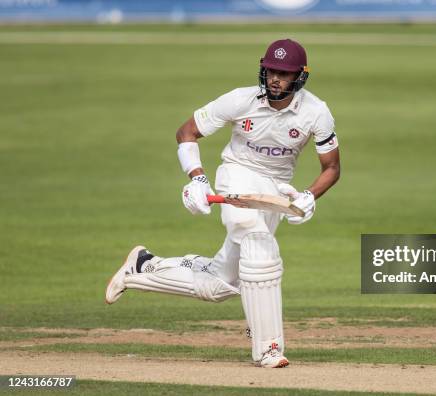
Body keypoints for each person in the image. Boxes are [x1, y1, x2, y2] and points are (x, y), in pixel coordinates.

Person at [104, 38, 340, 368]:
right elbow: (186, 132)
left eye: (284, 74)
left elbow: (332, 168)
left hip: (274, 192)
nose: (275, 79)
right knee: (260, 249)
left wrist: (308, 196)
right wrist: (198, 179)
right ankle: (268, 348)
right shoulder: (239, 100)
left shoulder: (316, 112)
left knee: (220, 283)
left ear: (300, 77)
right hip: (237, 176)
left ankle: (143, 266)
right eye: (271, 71)